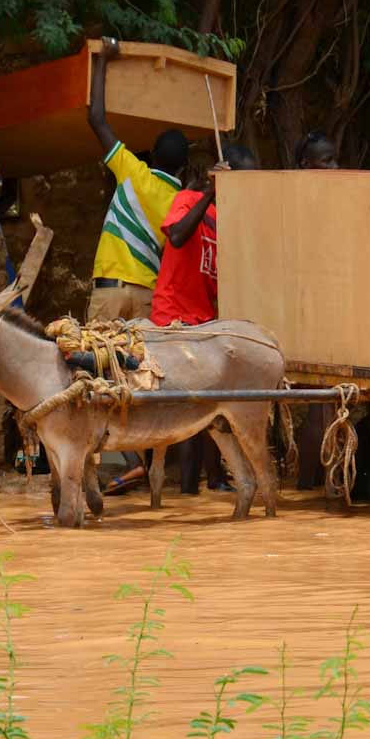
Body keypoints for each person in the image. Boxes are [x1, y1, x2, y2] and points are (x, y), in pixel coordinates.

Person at [154, 142, 262, 492]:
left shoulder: (227, 218)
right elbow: (178, 235)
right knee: (191, 405)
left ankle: (212, 481)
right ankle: (188, 489)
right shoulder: (187, 199)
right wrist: (209, 194)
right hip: (175, 317)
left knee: (209, 405)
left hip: (206, 320)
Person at [85, 38, 189, 325]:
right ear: (183, 167)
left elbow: (96, 119)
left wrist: (104, 59)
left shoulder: (133, 171)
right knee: (140, 369)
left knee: (97, 366)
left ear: (152, 154)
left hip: (111, 292)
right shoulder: (181, 203)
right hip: (147, 296)